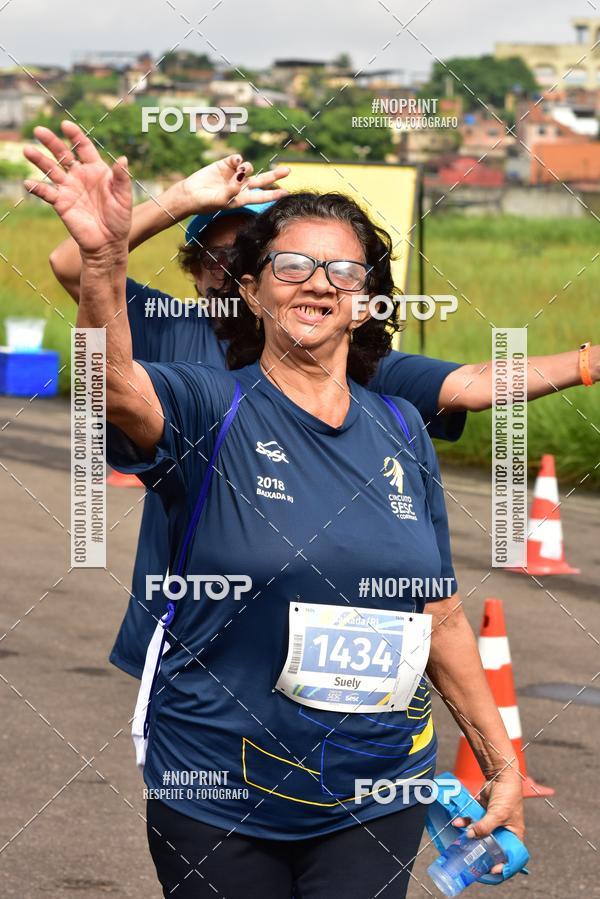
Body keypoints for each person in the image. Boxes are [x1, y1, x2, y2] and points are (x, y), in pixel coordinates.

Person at [26, 131, 525, 899]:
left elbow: (442, 614)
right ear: (253, 290)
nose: (317, 283)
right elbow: (115, 382)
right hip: (219, 785)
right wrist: (102, 263)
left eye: (343, 270)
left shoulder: (398, 428)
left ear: (365, 300)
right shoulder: (208, 406)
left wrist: (502, 763)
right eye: (291, 265)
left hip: (375, 786)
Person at [32, 123, 599, 683]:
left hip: (316, 648)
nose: (225, 267)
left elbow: (474, 382)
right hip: (191, 625)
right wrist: (180, 199)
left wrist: (584, 364)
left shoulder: (343, 358)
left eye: (242, 252)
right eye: (211, 253)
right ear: (197, 267)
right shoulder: (168, 328)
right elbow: (79, 267)